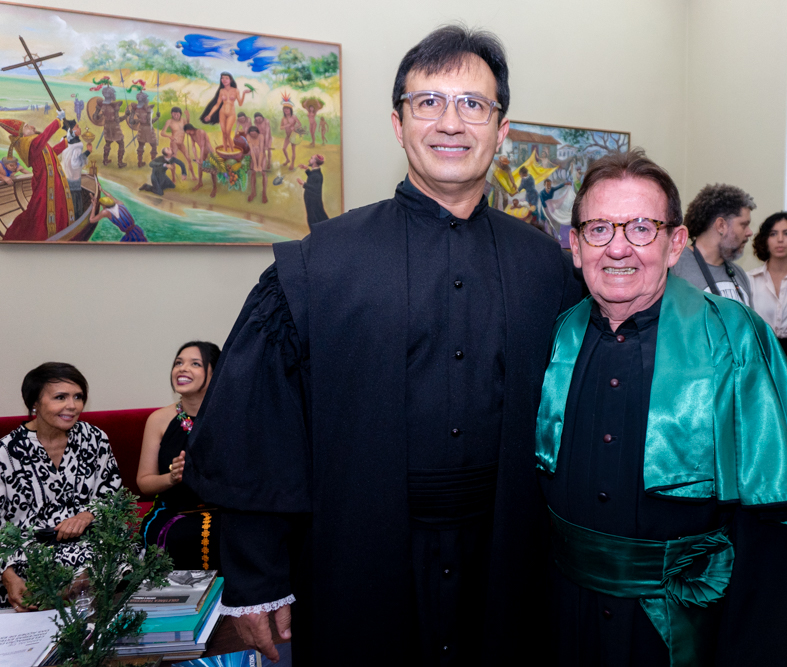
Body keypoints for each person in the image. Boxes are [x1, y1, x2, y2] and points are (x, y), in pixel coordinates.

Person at [185, 26, 582, 664]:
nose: (450, 122)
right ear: (398, 125)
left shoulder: (548, 268)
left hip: (510, 564)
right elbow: (260, 428)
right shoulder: (318, 264)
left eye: (473, 104)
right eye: (428, 102)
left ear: (500, 129)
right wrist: (258, 576)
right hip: (358, 560)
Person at [537, 149, 787, 666]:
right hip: (567, 614)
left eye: (641, 228)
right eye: (598, 229)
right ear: (576, 246)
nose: (618, 248)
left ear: (675, 243)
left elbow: (767, 526)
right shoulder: (556, 336)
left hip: (682, 625)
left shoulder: (734, 336)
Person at [0, 363, 123, 610]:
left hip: (89, 542)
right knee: (39, 586)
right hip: (27, 553)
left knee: (113, 558)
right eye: (60, 397)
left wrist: (88, 515)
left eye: (78, 397)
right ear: (34, 403)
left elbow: (113, 496)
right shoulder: (6, 453)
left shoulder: (94, 439)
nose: (72, 405)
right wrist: (8, 575)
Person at [138, 342, 222, 571]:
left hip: (223, 511)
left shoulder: (230, 417)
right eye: (178, 363)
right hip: (174, 511)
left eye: (195, 364)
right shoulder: (158, 419)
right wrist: (171, 477)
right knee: (176, 534)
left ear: (216, 374)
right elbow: (144, 482)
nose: (182, 369)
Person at [748, 211, 787, 383]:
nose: (780, 240)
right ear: (764, 240)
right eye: (773, 234)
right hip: (758, 358)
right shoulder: (748, 279)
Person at [671, 183, 755, 307]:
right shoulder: (674, 266)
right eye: (744, 225)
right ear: (721, 225)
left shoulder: (739, 273)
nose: (749, 232)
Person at [1, 112, 75, 241]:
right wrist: (57, 120)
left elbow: (52, 152)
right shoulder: (31, 145)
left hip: (52, 183)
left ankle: (59, 231)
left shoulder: (36, 143)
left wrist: (66, 141)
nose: (32, 127)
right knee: (40, 214)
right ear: (24, 135)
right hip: (44, 186)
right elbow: (46, 134)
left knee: (55, 208)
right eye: (27, 127)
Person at [201, 72, 248, 153]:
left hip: (231, 114)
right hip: (222, 113)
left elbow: (240, 104)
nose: (224, 80)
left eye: (226, 78)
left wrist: (243, 94)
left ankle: (232, 151)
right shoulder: (221, 91)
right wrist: (209, 115)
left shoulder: (236, 90)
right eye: (222, 78)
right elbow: (217, 104)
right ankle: (225, 151)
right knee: (224, 133)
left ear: (230, 80)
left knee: (227, 133)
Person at [58, 119, 93, 217]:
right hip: (73, 178)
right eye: (77, 127)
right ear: (71, 130)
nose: (80, 128)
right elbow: (75, 163)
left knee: (65, 201)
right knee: (75, 205)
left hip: (64, 176)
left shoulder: (64, 140)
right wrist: (88, 152)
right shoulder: (77, 146)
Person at [128, 91, 160, 167]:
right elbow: (149, 122)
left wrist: (137, 120)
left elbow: (131, 121)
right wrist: (157, 117)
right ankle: (153, 162)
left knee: (141, 146)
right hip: (149, 129)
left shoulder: (135, 109)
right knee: (153, 145)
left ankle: (139, 162)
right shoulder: (148, 109)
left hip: (141, 128)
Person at [98, 87, 128, 168]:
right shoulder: (114, 106)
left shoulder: (102, 105)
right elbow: (117, 120)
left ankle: (105, 160)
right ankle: (120, 163)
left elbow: (96, 117)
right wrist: (126, 116)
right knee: (121, 143)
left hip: (107, 126)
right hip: (115, 127)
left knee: (108, 143)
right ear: (111, 94)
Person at [160, 108, 193, 181]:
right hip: (174, 143)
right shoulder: (169, 121)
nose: (176, 116)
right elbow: (162, 133)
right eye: (174, 114)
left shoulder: (183, 120)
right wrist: (169, 136)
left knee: (188, 158)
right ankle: (173, 179)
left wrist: (188, 117)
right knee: (173, 161)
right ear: (171, 114)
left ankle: (193, 176)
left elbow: (187, 127)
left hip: (181, 143)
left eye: (177, 114)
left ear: (180, 114)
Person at [295, 154, 324, 225]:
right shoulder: (315, 172)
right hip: (311, 200)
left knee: (314, 218)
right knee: (316, 217)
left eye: (311, 158)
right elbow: (312, 178)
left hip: (313, 201)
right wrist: (306, 169)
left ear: (315, 161)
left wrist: (303, 183)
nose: (309, 160)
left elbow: (316, 188)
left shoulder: (317, 175)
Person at [247, 126, 268, 204]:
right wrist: (255, 165)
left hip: (261, 156)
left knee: (263, 173)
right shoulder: (248, 137)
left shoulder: (261, 136)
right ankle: (253, 192)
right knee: (253, 173)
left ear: (257, 133)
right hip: (254, 156)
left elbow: (261, 151)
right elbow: (252, 151)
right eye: (251, 135)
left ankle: (264, 193)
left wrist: (259, 165)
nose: (253, 136)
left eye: (255, 135)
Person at [279, 100, 302, 167]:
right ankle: (287, 160)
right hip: (287, 136)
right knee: (284, 149)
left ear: (290, 110)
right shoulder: (283, 118)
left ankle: (292, 164)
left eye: (287, 109)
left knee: (293, 150)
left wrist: (294, 127)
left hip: (293, 135)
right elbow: (281, 127)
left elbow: (299, 124)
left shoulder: (294, 116)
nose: (286, 110)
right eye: (284, 109)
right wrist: (287, 126)